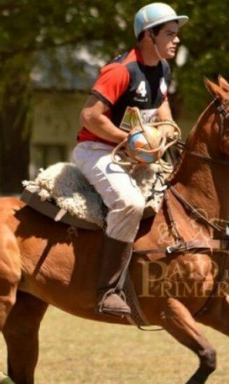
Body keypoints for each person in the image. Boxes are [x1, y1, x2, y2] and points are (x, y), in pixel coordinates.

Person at [73, 2, 188, 317]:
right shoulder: (121, 70)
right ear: (148, 35)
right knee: (131, 204)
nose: (176, 40)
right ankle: (107, 291)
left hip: (135, 157)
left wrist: (166, 130)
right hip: (97, 150)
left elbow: (163, 111)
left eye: (177, 34)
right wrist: (129, 140)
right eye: (170, 33)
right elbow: (88, 116)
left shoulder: (163, 69)